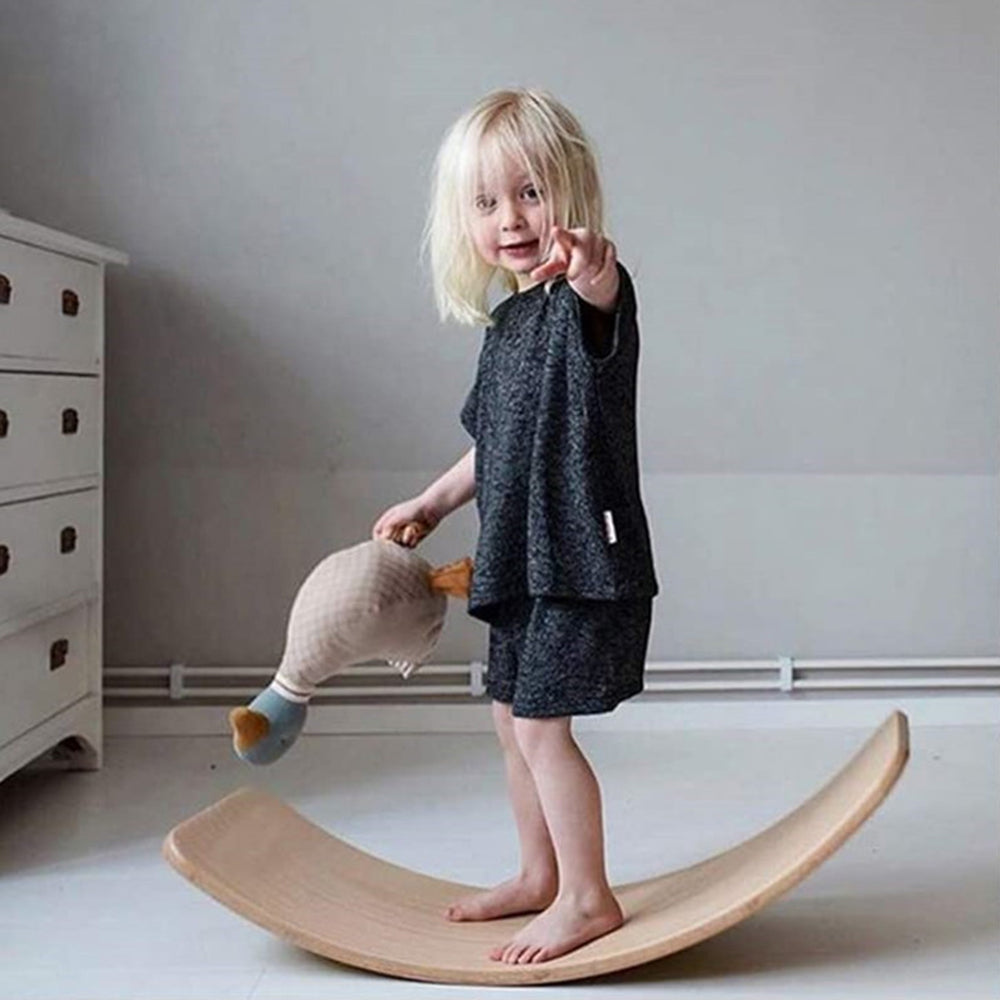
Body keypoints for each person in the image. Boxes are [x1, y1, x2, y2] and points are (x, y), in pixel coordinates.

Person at [370, 87, 658, 966]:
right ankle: (539, 875)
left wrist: (591, 267)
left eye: (531, 193)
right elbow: (489, 447)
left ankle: (587, 898)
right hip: (518, 562)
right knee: (508, 721)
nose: (511, 219)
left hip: (580, 559)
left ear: (571, 195)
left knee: (541, 729)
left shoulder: (587, 301)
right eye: (487, 202)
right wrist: (428, 503)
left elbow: (603, 285)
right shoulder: (506, 327)